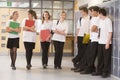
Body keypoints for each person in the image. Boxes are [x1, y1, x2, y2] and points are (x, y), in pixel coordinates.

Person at [92, 8, 112, 78]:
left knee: (106, 59)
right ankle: (99, 71)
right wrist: (98, 34)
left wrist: (107, 43)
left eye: (99, 14)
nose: (98, 16)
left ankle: (105, 72)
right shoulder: (100, 21)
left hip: (106, 42)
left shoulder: (108, 20)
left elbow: (110, 33)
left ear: (101, 13)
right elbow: (99, 30)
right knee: (100, 58)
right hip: (100, 42)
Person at [80, 6, 100, 74]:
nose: (90, 13)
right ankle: (88, 68)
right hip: (90, 38)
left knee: (91, 55)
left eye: (91, 11)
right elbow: (91, 29)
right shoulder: (93, 18)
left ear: (95, 11)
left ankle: (89, 69)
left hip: (95, 39)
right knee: (88, 54)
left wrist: (93, 29)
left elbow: (92, 29)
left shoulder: (97, 18)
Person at [72, 7, 91, 72]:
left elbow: (90, 29)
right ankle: (79, 66)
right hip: (80, 36)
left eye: (81, 12)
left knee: (84, 51)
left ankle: (75, 60)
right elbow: (78, 29)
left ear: (85, 11)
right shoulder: (80, 19)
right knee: (80, 51)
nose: (81, 13)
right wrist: (76, 37)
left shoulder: (90, 18)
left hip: (86, 36)